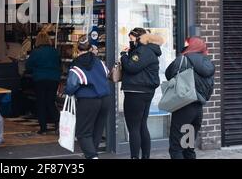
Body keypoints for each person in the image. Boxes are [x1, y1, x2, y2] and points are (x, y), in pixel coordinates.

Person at [165, 36, 214, 159]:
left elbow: (168, 74)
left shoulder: (183, 59)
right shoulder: (208, 63)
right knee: (188, 147)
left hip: (183, 106)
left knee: (176, 148)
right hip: (198, 109)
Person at [64, 36, 111, 159]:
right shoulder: (99, 62)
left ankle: (92, 156)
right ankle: (92, 154)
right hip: (105, 98)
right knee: (97, 130)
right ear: (91, 48)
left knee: (83, 132)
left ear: (77, 49)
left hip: (88, 100)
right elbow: (107, 74)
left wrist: (68, 92)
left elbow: (72, 85)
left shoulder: (77, 64)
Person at [120, 27, 164, 159]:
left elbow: (131, 67)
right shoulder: (149, 50)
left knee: (133, 127)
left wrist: (123, 55)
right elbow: (138, 65)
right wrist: (132, 51)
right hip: (146, 92)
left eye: (132, 40)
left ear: (139, 39)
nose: (130, 42)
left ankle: (135, 157)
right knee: (142, 125)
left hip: (135, 92)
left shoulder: (143, 51)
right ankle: (145, 156)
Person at [26, 32, 61, 134]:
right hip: (54, 79)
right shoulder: (55, 51)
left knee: (41, 103)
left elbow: (28, 66)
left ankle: (43, 128)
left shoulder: (35, 52)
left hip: (40, 79)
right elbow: (59, 64)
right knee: (50, 101)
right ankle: (58, 122)